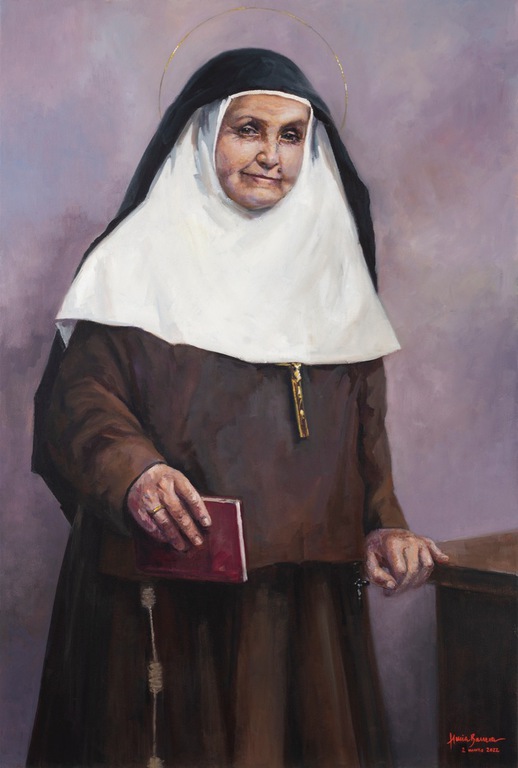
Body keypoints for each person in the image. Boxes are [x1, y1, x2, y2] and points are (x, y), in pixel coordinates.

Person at [27, 49, 448, 768]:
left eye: (291, 136)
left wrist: (382, 522)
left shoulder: (332, 264)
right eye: (248, 129)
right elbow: (80, 402)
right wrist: (136, 474)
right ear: (202, 135)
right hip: (165, 593)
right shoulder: (132, 263)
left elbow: (362, 429)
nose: (271, 156)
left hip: (304, 604)